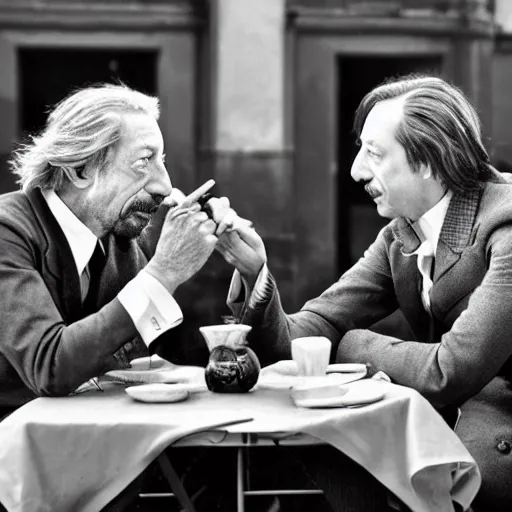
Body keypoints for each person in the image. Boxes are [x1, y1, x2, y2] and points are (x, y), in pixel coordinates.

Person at [217, 75, 512, 511]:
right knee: (320, 451)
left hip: (494, 439)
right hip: (440, 430)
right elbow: (304, 335)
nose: (356, 170)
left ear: (430, 160)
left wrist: (354, 344)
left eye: (374, 154)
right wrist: (256, 271)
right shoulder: (400, 233)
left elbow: (449, 372)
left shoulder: (505, 224)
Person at [0, 83, 240, 414]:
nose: (165, 185)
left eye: (162, 160)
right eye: (144, 161)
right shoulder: (7, 230)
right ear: (80, 170)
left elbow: (161, 356)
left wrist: (234, 259)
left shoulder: (122, 238)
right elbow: (49, 367)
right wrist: (164, 270)